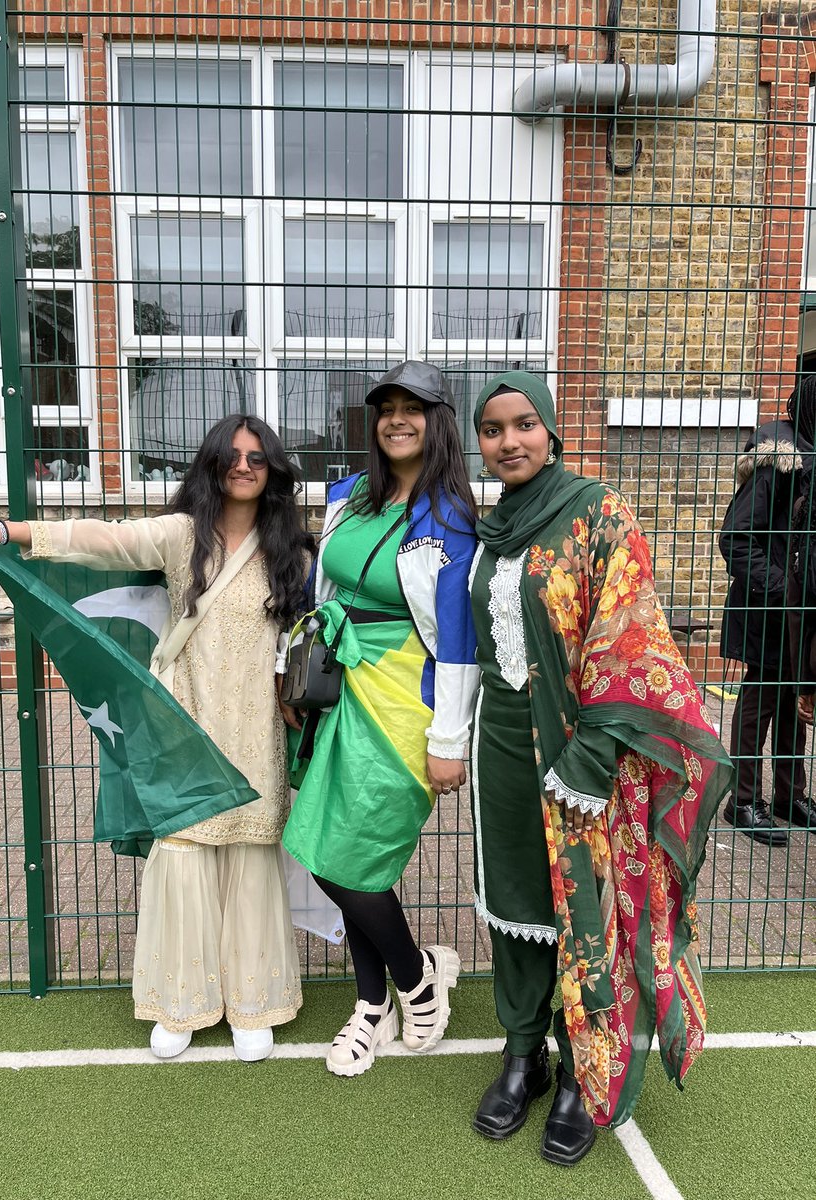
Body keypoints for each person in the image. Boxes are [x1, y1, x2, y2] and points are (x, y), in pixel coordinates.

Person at [0, 415, 314, 1062]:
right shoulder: (180, 536)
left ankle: (252, 1002)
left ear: (273, 468)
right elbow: (103, 540)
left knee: (251, 856)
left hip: (257, 723)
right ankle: (181, 1002)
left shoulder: (292, 550)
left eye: (258, 457)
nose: (244, 466)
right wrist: (8, 530)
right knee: (183, 852)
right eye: (232, 454)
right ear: (211, 462)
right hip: (182, 716)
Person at [468, 371, 732, 1164]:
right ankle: (524, 1055)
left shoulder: (597, 511)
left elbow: (630, 638)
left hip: (583, 752)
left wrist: (588, 761)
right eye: (491, 428)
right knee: (514, 900)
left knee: (587, 909)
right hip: (502, 744)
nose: (509, 441)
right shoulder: (492, 528)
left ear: (550, 430)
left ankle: (589, 1069)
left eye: (523, 424)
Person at [281, 361, 479, 1077]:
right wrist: (293, 671)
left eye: (413, 408)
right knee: (332, 847)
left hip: (406, 698)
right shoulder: (347, 498)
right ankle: (376, 1001)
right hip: (339, 685)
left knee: (356, 859)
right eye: (386, 407)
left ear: (438, 422)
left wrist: (448, 740)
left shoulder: (453, 516)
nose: (397, 419)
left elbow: (459, 638)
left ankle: (416, 979)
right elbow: (319, 591)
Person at [719, 376, 816, 843]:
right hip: (769, 605)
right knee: (760, 699)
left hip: (798, 610)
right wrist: (785, 587)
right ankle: (740, 801)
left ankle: (788, 796)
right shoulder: (780, 459)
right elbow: (735, 538)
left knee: (794, 698)